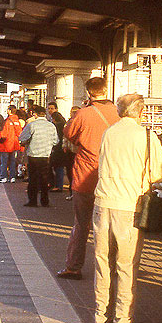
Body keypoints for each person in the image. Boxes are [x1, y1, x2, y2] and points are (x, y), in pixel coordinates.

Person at [93, 93, 162, 323]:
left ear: (120, 112)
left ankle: (99, 317)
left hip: (103, 202)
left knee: (102, 262)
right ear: (141, 112)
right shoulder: (146, 136)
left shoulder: (109, 132)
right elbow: (158, 174)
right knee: (126, 265)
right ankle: (122, 321)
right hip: (130, 206)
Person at [57, 77, 119, 280]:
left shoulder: (84, 113)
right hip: (111, 177)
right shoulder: (118, 112)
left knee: (81, 224)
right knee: (111, 226)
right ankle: (112, 268)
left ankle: (74, 267)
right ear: (106, 90)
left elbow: (69, 134)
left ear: (89, 93)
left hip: (85, 176)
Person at [19, 105, 58, 207]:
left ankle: (33, 201)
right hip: (45, 156)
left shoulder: (32, 125)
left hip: (33, 155)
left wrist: (29, 140)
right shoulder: (51, 126)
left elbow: (22, 137)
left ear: (35, 114)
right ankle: (45, 201)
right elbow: (56, 141)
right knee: (44, 179)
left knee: (33, 179)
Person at [0, 108, 24, 183]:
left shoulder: (7, 121)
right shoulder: (17, 121)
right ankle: (12, 177)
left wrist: (0, 141)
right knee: (13, 161)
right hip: (14, 145)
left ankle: (3, 177)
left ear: (10, 111)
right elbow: (20, 133)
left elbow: (4, 134)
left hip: (6, 145)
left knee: (4, 162)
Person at [47, 101, 67, 191]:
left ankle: (58, 186)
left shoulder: (56, 125)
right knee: (58, 167)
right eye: (49, 108)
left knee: (57, 167)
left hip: (57, 148)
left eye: (52, 108)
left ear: (56, 109)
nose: (50, 110)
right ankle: (57, 185)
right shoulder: (62, 122)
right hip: (60, 148)